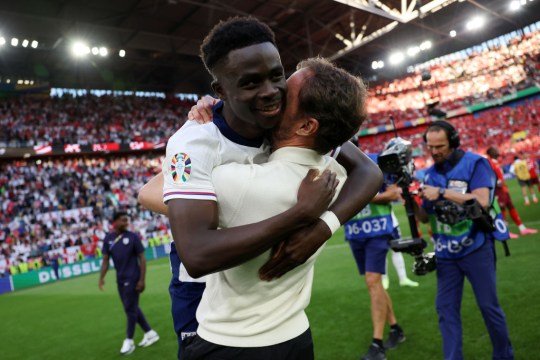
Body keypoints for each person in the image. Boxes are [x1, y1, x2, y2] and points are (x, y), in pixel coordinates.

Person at [138, 16, 382, 358]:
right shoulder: (196, 142)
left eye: (277, 76)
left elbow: (369, 171)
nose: (271, 92)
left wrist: (322, 228)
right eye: (251, 83)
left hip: (261, 317)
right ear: (221, 91)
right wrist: (301, 215)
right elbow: (155, 201)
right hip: (199, 297)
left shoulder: (283, 121)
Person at [180, 56, 367, 359]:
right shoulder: (338, 175)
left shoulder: (236, 182)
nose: (271, 95)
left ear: (307, 125)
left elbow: (150, 192)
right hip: (295, 335)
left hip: (230, 343)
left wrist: (200, 126)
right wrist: (326, 225)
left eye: (285, 95)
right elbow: (368, 170)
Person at [415, 121, 514, 360]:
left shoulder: (475, 163)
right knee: (445, 310)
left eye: (440, 146)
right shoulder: (428, 174)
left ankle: (504, 356)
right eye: (431, 147)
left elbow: (481, 200)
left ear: (454, 142)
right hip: (446, 254)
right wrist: (412, 201)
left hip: (476, 248)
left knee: (489, 307)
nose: (435, 151)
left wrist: (440, 192)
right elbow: (425, 218)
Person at [344, 160, 406, 360]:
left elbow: (394, 193)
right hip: (355, 233)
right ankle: (396, 329)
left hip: (378, 231)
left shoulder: (375, 162)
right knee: (375, 284)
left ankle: (377, 344)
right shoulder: (331, 167)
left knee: (372, 281)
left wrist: (361, 195)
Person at [98, 211, 160, 355]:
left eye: (127, 220)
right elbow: (106, 261)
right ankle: (150, 333)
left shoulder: (132, 237)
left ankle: (129, 341)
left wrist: (142, 280)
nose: (126, 223)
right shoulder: (108, 239)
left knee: (130, 310)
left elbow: (142, 259)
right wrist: (101, 278)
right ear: (115, 222)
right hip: (120, 280)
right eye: (123, 220)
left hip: (133, 279)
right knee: (131, 308)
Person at [486, 147, 537, 238]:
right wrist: (497, 183)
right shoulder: (490, 163)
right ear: (491, 153)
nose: (497, 151)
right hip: (498, 190)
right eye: (495, 150)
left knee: (511, 206)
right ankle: (505, 232)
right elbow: (489, 175)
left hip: (503, 189)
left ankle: (522, 228)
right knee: (502, 209)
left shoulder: (495, 162)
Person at [381, 216, 420, 290]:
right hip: (378, 226)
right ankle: (384, 278)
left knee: (397, 250)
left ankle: (403, 278)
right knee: (382, 251)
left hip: (392, 223)